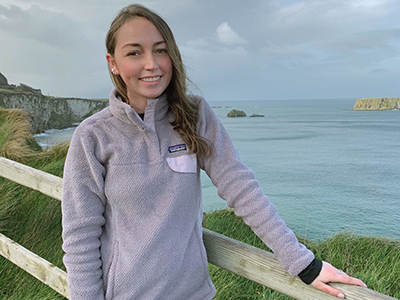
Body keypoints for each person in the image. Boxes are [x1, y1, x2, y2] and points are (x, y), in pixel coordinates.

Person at [61, 4, 367, 300]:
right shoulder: (93, 137)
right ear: (112, 62)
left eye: (161, 49)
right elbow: (80, 238)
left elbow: (240, 188)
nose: (151, 64)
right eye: (134, 52)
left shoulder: (194, 115)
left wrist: (303, 263)